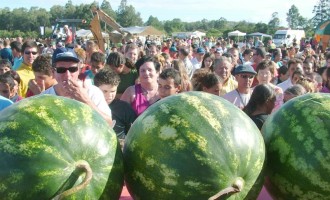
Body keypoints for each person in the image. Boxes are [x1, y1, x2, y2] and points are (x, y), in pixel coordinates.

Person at [42, 48, 113, 126]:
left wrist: (85, 100)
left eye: (72, 69)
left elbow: (108, 124)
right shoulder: (44, 98)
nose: (67, 75)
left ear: (79, 70)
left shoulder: (93, 92)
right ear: (53, 72)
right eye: (61, 70)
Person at [94, 68, 137, 139]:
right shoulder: (88, 105)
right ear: (95, 88)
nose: (109, 96)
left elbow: (133, 132)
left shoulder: (124, 108)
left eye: (113, 91)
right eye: (105, 91)